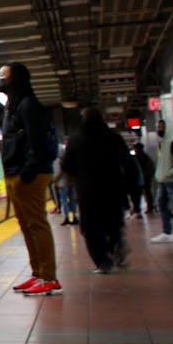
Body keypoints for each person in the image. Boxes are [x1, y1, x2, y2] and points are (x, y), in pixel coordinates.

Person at [0, 62, 61, 295]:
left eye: (2, 75)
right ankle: (38, 273)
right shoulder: (13, 106)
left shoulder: (28, 105)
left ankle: (49, 277)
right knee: (27, 225)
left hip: (28, 174)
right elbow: (18, 140)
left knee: (36, 224)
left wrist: (27, 171)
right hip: (17, 172)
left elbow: (37, 141)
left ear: (16, 79)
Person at [62, 108, 136, 272]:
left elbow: (66, 165)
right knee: (114, 224)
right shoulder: (114, 138)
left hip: (88, 192)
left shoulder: (76, 140)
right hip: (113, 189)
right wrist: (131, 187)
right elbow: (129, 164)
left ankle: (103, 262)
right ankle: (115, 246)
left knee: (91, 228)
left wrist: (79, 176)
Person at [53, 147, 78, 226]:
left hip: (62, 183)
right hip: (71, 182)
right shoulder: (70, 159)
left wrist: (55, 181)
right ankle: (74, 216)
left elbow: (57, 173)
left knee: (64, 201)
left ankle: (66, 217)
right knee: (72, 200)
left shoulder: (58, 161)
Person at [133, 142, 155, 215]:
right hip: (146, 178)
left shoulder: (136, 157)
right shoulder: (146, 157)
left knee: (138, 194)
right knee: (147, 192)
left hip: (141, 178)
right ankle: (149, 207)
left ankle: (138, 209)